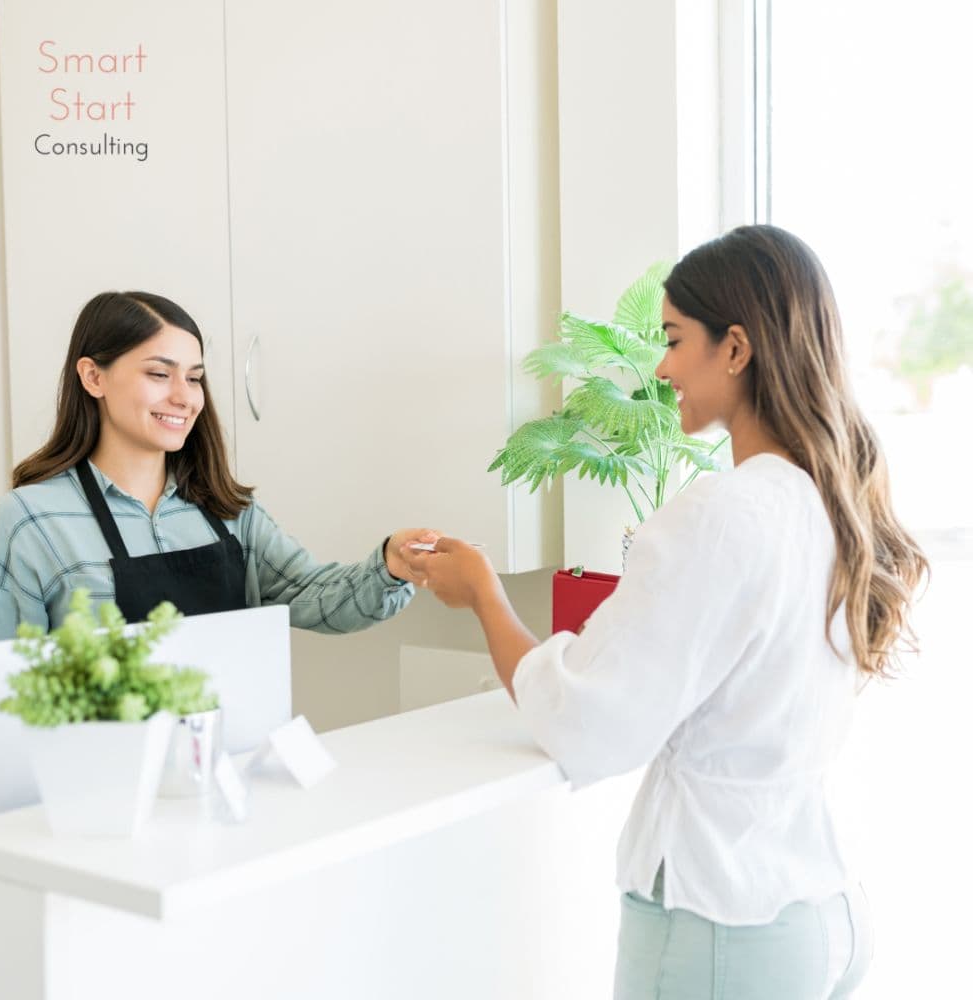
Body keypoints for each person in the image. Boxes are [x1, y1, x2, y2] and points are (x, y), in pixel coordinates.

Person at [397, 225, 928, 999]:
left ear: (737, 349)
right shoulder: (834, 504)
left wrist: (483, 593)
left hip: (720, 926)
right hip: (819, 910)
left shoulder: (723, 512)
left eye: (676, 339)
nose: (662, 366)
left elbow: (585, 720)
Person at [0, 291, 435, 642]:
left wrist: (391, 564)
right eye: (159, 373)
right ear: (94, 377)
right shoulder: (29, 521)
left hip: (228, 758)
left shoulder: (229, 509)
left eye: (194, 377)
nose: (185, 396)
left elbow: (317, 598)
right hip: (107, 766)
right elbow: (2, 685)